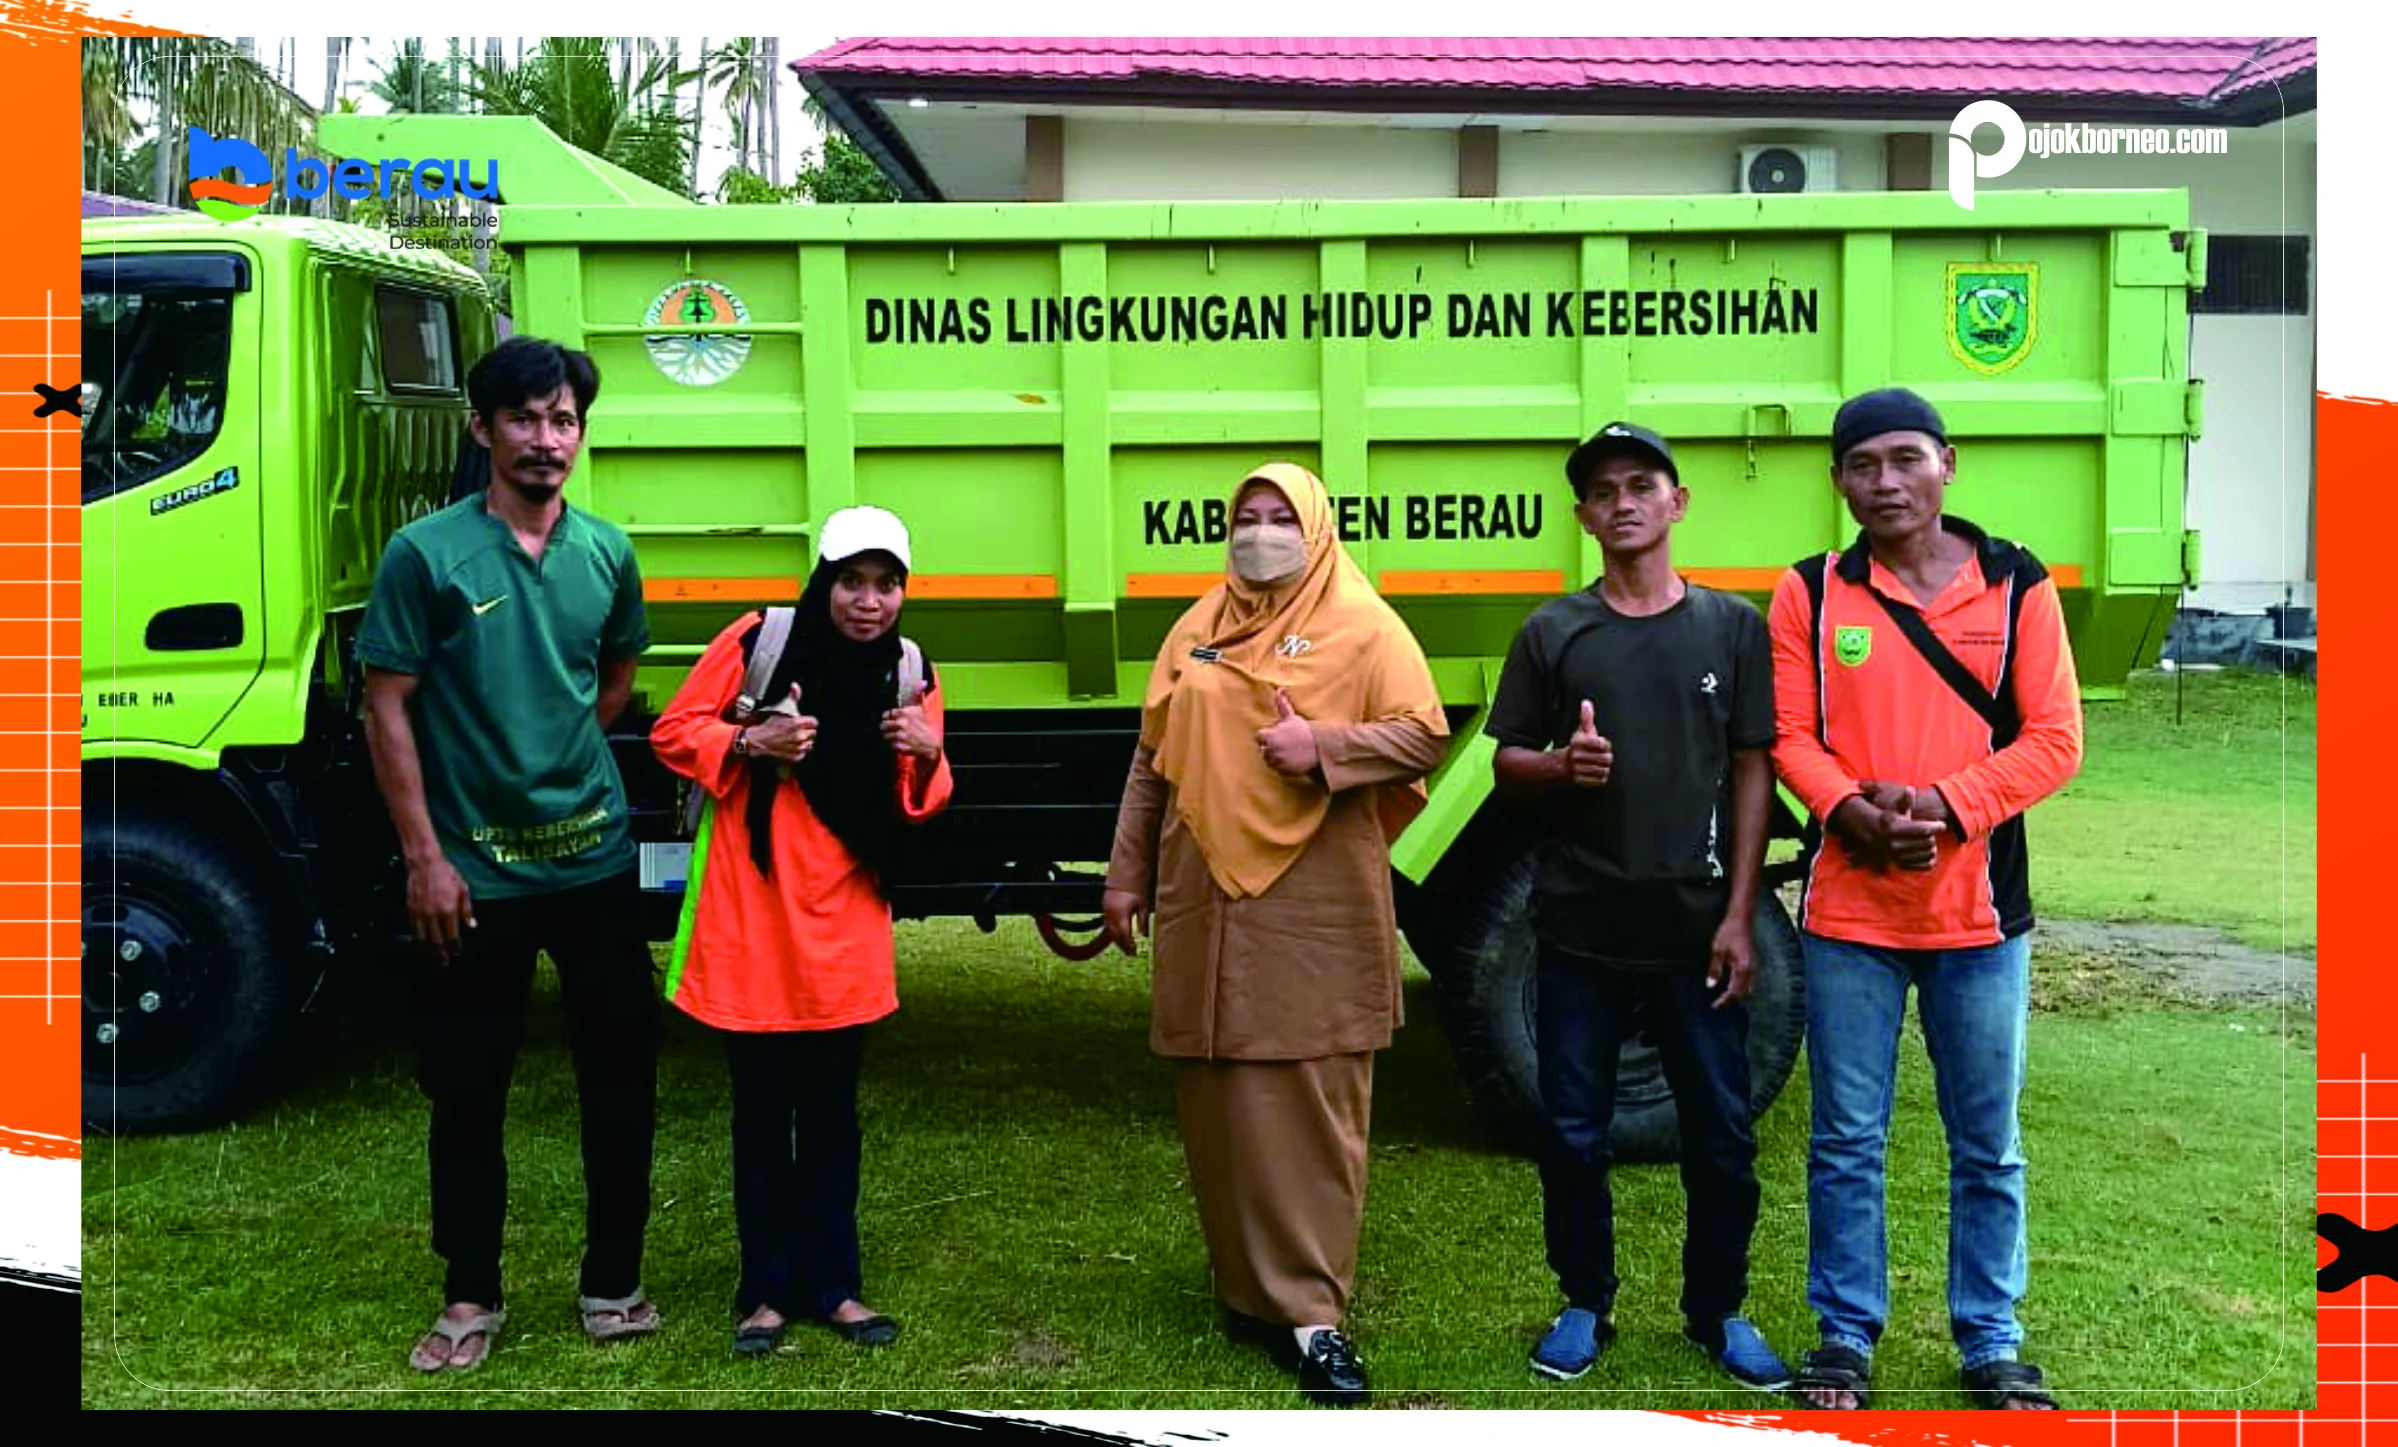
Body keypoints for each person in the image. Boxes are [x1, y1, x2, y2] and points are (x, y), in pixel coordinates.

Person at [1101, 463, 1448, 1408]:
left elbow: (1421, 733)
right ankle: (1248, 1293)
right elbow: (1153, 758)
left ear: (1317, 528)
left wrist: (1322, 747)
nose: (1260, 534)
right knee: (1218, 1092)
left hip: (1313, 898)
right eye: (1245, 518)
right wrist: (1127, 872)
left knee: (1310, 1096)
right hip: (1204, 892)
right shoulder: (1198, 627)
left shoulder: (1364, 625)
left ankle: (1314, 1313)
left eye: (1279, 517)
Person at [1769, 388, 2083, 1411]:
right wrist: (1853, 815)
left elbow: (2055, 739)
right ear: (1837, 481)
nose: (1886, 481)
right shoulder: (1809, 592)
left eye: (1906, 458)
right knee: (1844, 1140)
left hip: (1978, 917)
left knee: (1986, 1143)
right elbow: (1789, 735)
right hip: (1848, 915)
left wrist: (1945, 808)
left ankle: (1991, 1337)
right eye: (1863, 464)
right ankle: (1843, 1334)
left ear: (1948, 463)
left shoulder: (2015, 581)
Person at [359, 336, 662, 1373]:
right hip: (472, 876)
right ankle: (470, 1290)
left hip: (594, 865)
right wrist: (425, 857)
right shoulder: (425, 554)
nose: (546, 438)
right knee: (468, 1085)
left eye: (563, 419)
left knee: (620, 1077)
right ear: (482, 428)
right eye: (525, 418)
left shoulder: (605, 552)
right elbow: (387, 706)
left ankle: (613, 1279)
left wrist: (551, 752)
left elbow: (611, 681)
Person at [1483, 422, 1788, 1390]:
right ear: (1582, 515)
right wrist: (1559, 765)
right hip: (1580, 927)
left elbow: (1753, 767)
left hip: (1698, 931)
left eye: (1642, 485)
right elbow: (1506, 762)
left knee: (1722, 1134)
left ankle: (1718, 1309)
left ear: (1677, 502)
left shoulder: (1732, 627)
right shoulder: (1553, 631)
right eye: (1604, 490)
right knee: (1574, 1130)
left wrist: (1739, 913)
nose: (1623, 502)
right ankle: (1585, 1300)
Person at [649, 506, 952, 1357]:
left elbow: (921, 800)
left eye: (886, 584)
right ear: (824, 581)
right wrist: (755, 740)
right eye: (851, 582)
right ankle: (765, 1292)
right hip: (753, 922)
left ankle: (836, 1286)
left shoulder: (910, 669)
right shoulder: (761, 640)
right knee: (760, 1115)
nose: (868, 601)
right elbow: (673, 732)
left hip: (846, 927)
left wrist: (929, 752)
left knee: (831, 1117)